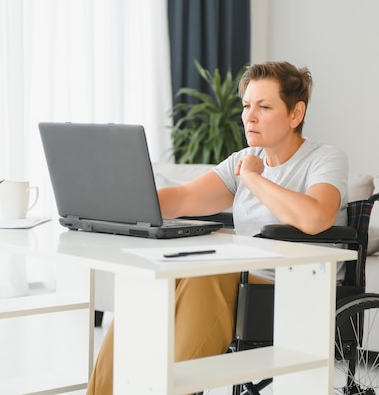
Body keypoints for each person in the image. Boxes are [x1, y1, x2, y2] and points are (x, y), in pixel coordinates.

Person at [86, 61, 348, 395]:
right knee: (149, 284)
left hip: (294, 288)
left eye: (264, 107)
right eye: (246, 105)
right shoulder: (244, 158)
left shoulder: (324, 158)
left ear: (296, 114)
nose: (249, 117)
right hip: (243, 282)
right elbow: (182, 198)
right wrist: (117, 205)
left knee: (209, 274)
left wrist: (253, 178)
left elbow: (315, 217)